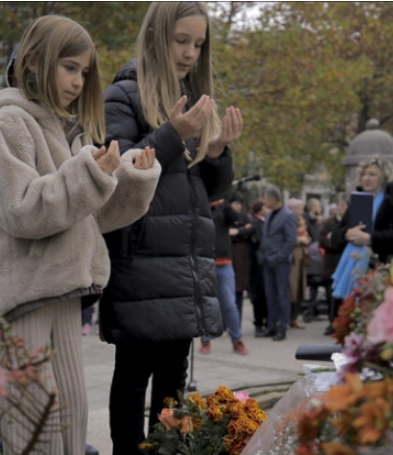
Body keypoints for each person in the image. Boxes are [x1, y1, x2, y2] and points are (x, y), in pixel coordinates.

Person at [0, 15, 161, 455]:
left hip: (63, 288)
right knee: (34, 417)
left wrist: (130, 178)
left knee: (72, 410)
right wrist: (88, 174)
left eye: (84, 72)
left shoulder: (60, 127)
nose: (78, 81)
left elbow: (83, 213)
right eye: (69, 67)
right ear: (35, 62)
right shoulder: (8, 124)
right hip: (25, 295)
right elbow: (22, 210)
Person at [99, 2, 242, 453]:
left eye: (198, 45)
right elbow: (118, 165)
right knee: (132, 373)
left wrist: (217, 150)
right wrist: (172, 134)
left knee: (174, 378)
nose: (189, 54)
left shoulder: (192, 99)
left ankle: (169, 450)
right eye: (182, 41)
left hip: (184, 262)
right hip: (140, 259)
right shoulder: (122, 94)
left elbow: (208, 188)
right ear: (157, 37)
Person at [331, 155, 393, 301]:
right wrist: (346, 234)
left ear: (384, 177)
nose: (366, 178)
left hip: (383, 274)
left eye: (372, 174)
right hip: (352, 272)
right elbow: (335, 235)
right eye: (363, 174)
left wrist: (371, 238)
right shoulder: (357, 202)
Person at [199, 199, 249, 355]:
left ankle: (237, 340)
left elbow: (236, 218)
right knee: (206, 303)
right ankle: (206, 339)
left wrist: (225, 200)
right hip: (205, 262)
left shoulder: (224, 207)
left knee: (229, 304)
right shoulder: (201, 205)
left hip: (224, 263)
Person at [256, 186, 297, 341]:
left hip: (281, 263)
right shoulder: (269, 215)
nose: (264, 201)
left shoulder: (288, 216)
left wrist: (279, 256)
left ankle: (282, 327)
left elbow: (290, 240)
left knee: (282, 295)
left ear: (274, 199)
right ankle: (271, 326)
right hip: (267, 261)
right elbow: (266, 237)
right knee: (270, 295)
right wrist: (262, 253)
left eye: (266, 198)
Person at [318, 194, 348, 335]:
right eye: (338, 205)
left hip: (344, 262)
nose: (339, 208)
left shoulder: (350, 223)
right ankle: (332, 322)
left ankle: (342, 323)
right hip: (331, 263)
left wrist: (335, 239)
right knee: (331, 295)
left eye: (342, 205)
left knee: (343, 297)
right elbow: (322, 240)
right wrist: (335, 242)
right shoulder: (328, 223)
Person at [229, 192, 254, 320]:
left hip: (242, 260)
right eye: (236, 203)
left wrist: (238, 231)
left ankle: (236, 321)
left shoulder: (244, 216)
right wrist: (242, 231)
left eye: (240, 204)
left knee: (239, 291)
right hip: (230, 257)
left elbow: (251, 229)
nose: (238, 206)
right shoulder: (226, 216)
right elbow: (227, 233)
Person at [286, 198, 309, 330]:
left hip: (301, 257)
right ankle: (287, 318)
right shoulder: (287, 219)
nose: (301, 211)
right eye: (299, 208)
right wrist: (300, 239)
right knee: (291, 289)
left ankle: (294, 318)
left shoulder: (301, 221)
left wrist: (306, 239)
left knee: (300, 287)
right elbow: (286, 238)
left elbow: (308, 235)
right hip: (291, 258)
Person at [248, 199, 269, 335]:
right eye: (265, 207)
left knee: (266, 294)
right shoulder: (255, 224)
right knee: (259, 294)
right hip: (258, 264)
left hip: (266, 262)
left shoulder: (266, 222)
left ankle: (266, 321)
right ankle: (259, 323)